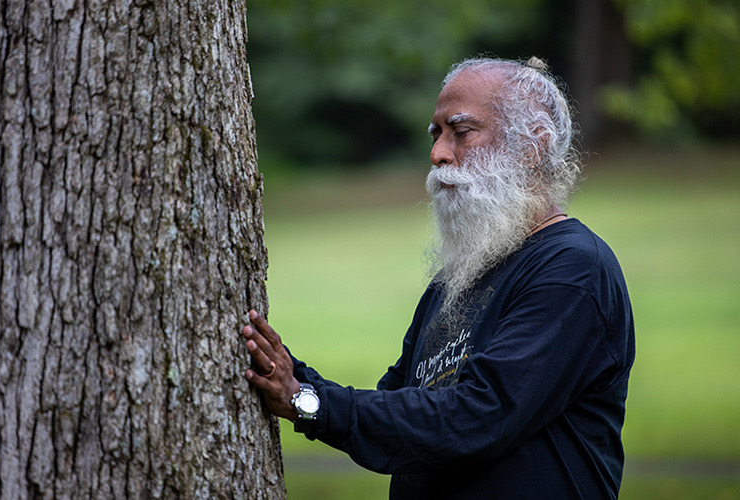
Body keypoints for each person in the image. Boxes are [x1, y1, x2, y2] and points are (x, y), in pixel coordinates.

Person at [241, 56, 635, 499]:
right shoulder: (457, 279)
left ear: (533, 146)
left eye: (460, 132)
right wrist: (290, 376)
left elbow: (477, 416)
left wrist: (303, 402)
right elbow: (398, 404)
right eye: (436, 134)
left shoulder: (573, 270)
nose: (437, 154)